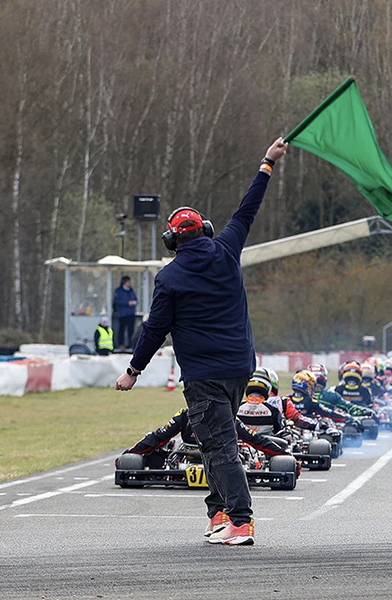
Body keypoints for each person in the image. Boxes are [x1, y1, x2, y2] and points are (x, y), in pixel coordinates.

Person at [114, 135, 289, 546]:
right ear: (205, 230)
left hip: (204, 376)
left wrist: (132, 371)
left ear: (173, 241)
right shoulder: (227, 248)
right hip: (240, 368)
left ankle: (240, 521)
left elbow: (154, 330)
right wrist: (267, 162)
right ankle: (219, 512)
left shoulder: (169, 277)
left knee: (220, 445)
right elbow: (249, 207)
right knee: (212, 442)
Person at [112, 275, 138, 351]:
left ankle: (130, 344)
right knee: (122, 330)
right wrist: (127, 303)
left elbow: (135, 299)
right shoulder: (119, 291)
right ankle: (121, 344)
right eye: (128, 282)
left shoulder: (131, 290)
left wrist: (134, 302)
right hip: (122, 313)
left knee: (131, 330)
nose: (129, 283)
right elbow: (117, 301)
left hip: (131, 313)